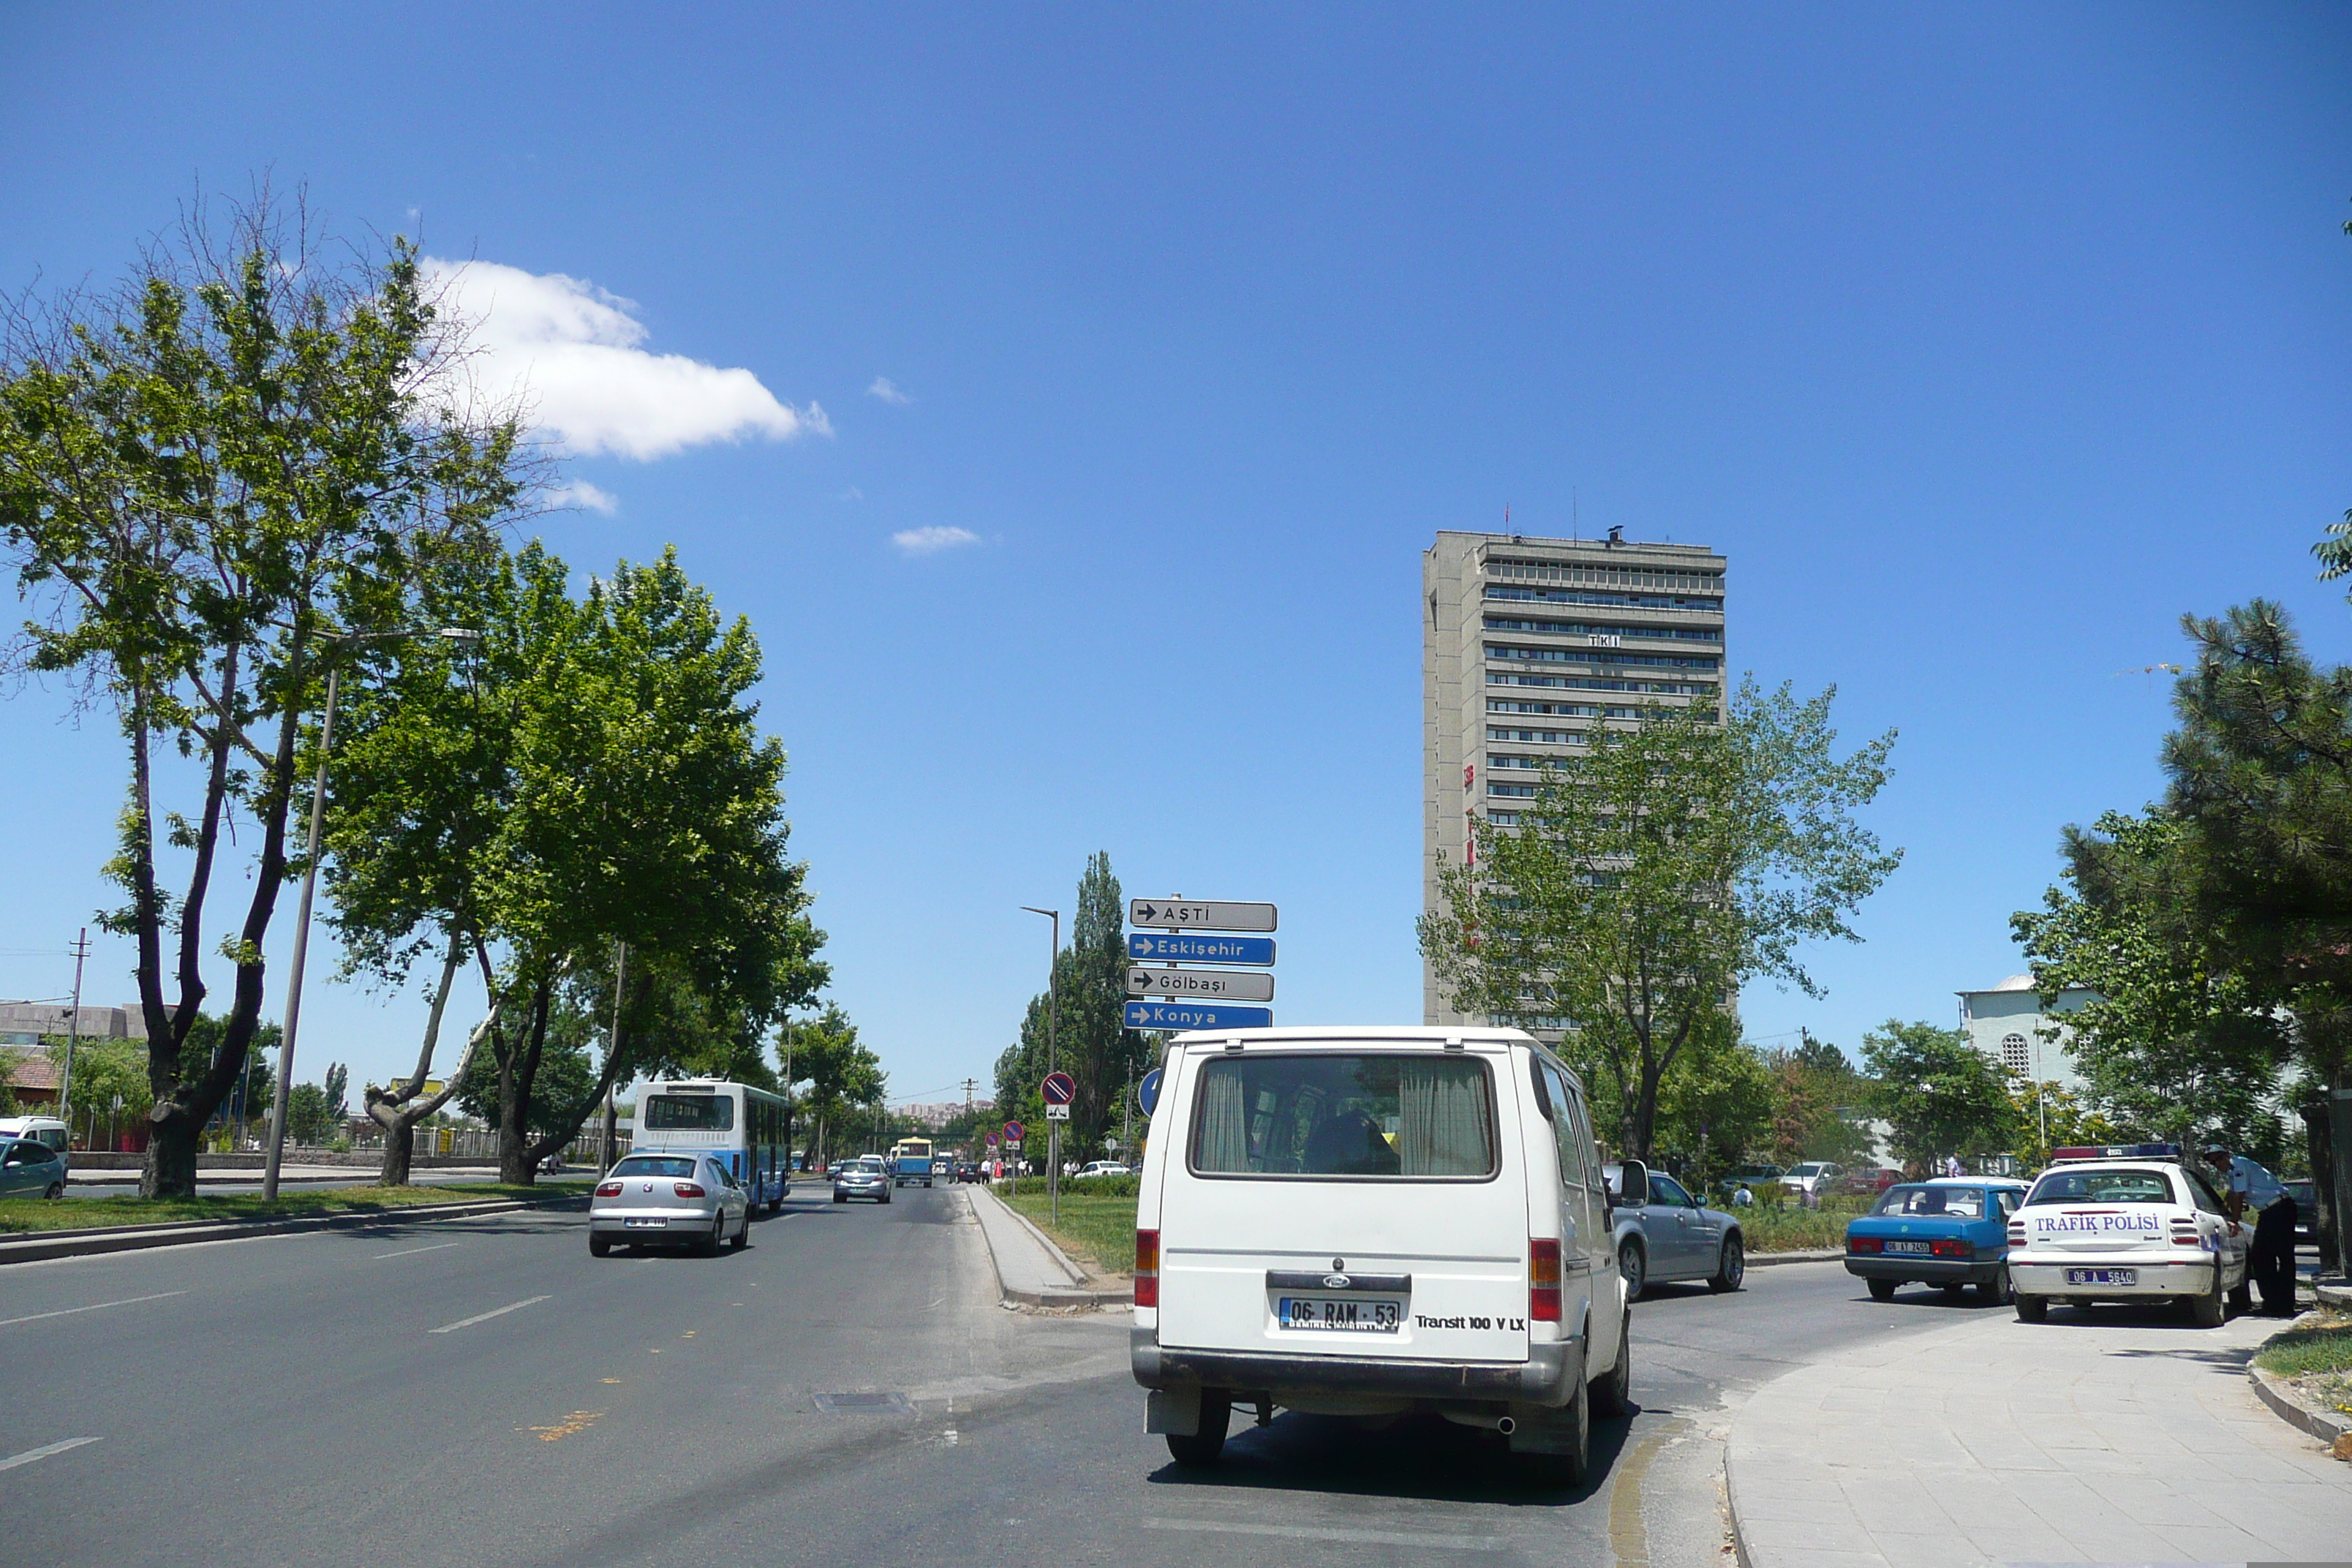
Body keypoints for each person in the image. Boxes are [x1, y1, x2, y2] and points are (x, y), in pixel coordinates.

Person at [2204, 1142, 2297, 1317]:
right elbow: (2231, 1194)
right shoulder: (2233, 1171)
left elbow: (2239, 1196)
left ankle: (2281, 1304)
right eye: (2212, 1163)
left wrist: (2234, 1221)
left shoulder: (2237, 1166)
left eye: (2217, 1160)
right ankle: (2276, 1302)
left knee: (2273, 1256)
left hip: (2279, 1210)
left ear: (2226, 1156)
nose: (2216, 1165)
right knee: (2264, 1257)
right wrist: (2221, 1210)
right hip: (2272, 1211)